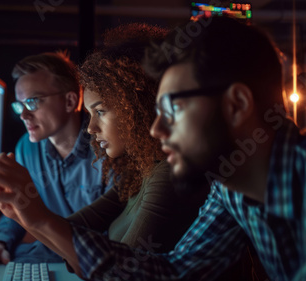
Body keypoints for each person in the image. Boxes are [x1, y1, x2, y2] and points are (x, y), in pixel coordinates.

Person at [0, 16, 306, 281]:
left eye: (172, 110)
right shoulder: (229, 187)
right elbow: (175, 273)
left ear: (237, 105)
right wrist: (30, 215)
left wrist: (37, 216)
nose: (157, 128)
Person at [67, 23, 207, 253]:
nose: (90, 128)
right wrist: (22, 209)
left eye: (100, 111)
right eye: (90, 114)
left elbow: (124, 272)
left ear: (135, 106)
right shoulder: (140, 170)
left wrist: (34, 216)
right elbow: (75, 227)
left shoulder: (168, 174)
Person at [0, 51, 109, 270]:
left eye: (32, 102)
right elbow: (18, 210)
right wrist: (0, 241)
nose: (23, 115)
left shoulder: (107, 148)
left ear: (70, 101)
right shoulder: (27, 148)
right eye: (19, 105)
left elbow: (119, 238)